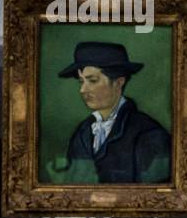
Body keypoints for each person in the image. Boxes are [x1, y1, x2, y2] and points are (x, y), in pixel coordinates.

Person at [61, 41, 171, 184]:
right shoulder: (82, 133)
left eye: (92, 81)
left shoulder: (149, 134)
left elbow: (155, 196)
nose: (82, 90)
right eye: (81, 81)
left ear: (119, 83)